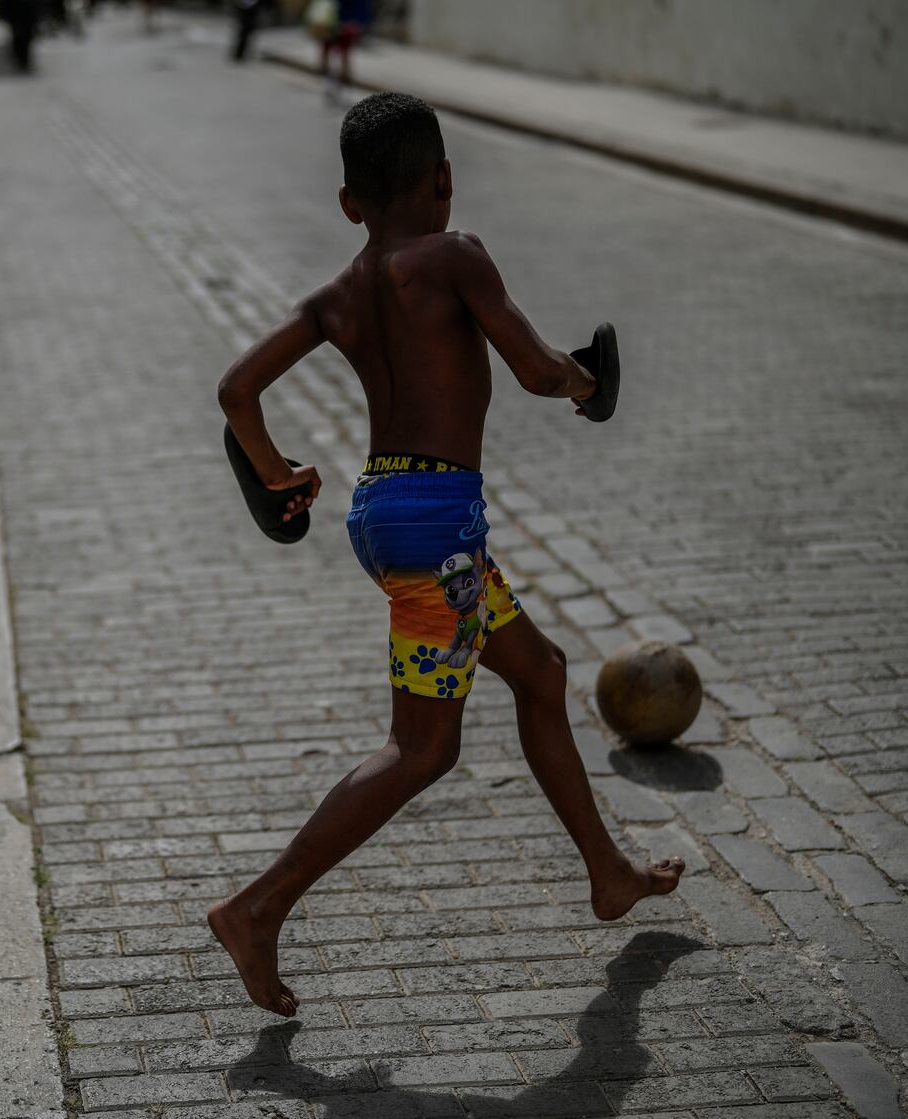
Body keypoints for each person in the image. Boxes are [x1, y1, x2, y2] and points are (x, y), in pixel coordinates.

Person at [208, 93, 684, 1017]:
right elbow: (539, 369)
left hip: (390, 513)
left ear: (349, 203)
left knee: (540, 673)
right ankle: (258, 907)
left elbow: (236, 389)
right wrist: (590, 384)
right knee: (422, 746)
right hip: (436, 531)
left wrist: (276, 470)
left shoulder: (339, 293)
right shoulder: (454, 255)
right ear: (445, 180)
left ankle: (608, 872)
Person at [319, 0, 371, 102]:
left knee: (338, 52)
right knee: (338, 52)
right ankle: (334, 82)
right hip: (336, 20)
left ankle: (337, 83)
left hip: (340, 21)